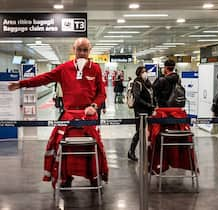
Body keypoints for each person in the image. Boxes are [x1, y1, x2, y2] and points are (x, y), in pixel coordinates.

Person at [8, 37, 108, 188]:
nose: (82, 53)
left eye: (85, 50)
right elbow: (44, 78)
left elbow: (101, 93)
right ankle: (65, 176)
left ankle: (93, 176)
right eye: (79, 49)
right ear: (73, 50)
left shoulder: (95, 68)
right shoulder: (64, 68)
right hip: (68, 116)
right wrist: (22, 83)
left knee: (93, 147)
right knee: (60, 145)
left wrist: (94, 106)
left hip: (89, 117)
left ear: (89, 51)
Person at [128, 66, 155, 161]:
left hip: (149, 110)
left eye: (146, 71)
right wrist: (148, 105)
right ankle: (131, 151)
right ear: (139, 73)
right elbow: (137, 98)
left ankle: (150, 152)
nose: (145, 73)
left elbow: (152, 95)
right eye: (143, 72)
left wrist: (153, 105)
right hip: (140, 110)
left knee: (150, 130)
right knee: (140, 132)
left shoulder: (148, 83)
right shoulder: (137, 83)